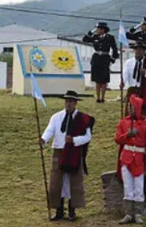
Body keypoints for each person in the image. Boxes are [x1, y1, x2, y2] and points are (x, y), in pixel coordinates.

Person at [40, 91, 94, 222]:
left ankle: (72, 210)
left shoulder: (82, 119)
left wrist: (74, 140)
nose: (68, 104)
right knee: (56, 182)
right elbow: (50, 129)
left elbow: (87, 137)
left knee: (73, 182)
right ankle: (58, 210)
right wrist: (43, 139)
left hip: (73, 153)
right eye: (66, 101)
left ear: (75, 103)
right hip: (59, 151)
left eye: (71, 101)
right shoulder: (56, 117)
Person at [115, 94, 146, 225]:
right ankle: (128, 213)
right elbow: (117, 139)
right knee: (128, 187)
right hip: (126, 158)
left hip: (139, 159)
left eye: (132, 107)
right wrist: (127, 135)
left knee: (138, 186)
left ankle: (138, 213)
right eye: (129, 107)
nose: (130, 109)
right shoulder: (123, 122)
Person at [83, 22, 119, 103]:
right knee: (97, 80)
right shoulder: (95, 37)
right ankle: (98, 98)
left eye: (98, 29)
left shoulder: (110, 37)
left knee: (104, 80)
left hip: (105, 59)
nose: (97, 30)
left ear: (103, 29)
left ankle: (103, 97)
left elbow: (114, 49)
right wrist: (91, 32)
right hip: (96, 59)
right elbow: (85, 39)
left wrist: (113, 59)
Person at [122, 42, 146, 120]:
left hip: (144, 90)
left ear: (144, 51)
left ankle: (144, 126)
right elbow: (125, 74)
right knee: (130, 111)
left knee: (144, 111)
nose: (138, 51)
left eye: (141, 50)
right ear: (134, 51)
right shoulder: (129, 62)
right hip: (132, 89)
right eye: (137, 49)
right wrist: (123, 82)